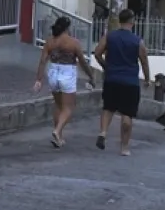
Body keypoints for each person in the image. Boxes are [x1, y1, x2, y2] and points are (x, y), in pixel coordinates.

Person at [94, 8, 151, 155]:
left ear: (120, 20)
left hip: (112, 78)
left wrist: (105, 66)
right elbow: (144, 61)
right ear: (132, 22)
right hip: (130, 82)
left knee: (108, 108)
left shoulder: (110, 36)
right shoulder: (138, 41)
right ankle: (124, 147)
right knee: (127, 114)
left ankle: (103, 132)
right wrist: (147, 78)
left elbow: (97, 52)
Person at [33, 16, 96, 148]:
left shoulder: (50, 42)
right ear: (67, 28)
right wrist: (91, 76)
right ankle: (57, 131)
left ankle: (59, 137)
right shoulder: (73, 42)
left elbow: (42, 61)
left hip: (53, 72)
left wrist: (39, 79)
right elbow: (83, 62)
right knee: (69, 107)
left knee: (59, 105)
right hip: (68, 73)